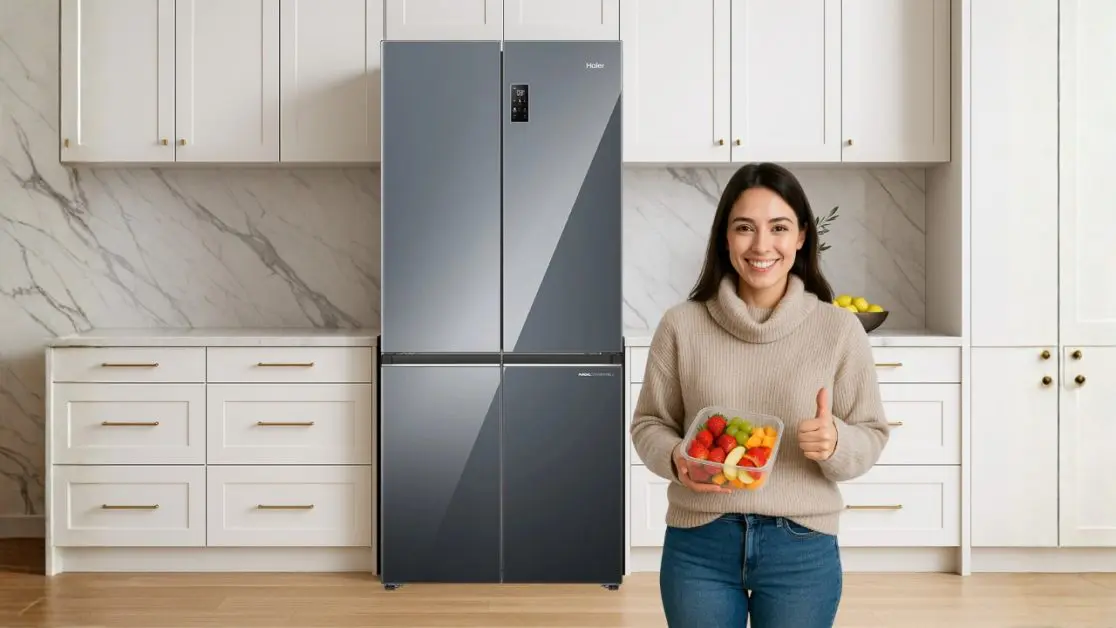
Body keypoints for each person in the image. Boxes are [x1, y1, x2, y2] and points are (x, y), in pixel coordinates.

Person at [629, 162, 890, 628]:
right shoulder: (681, 325)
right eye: (744, 227)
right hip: (700, 541)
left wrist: (836, 444)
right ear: (725, 238)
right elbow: (650, 423)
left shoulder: (838, 329)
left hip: (802, 544)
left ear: (801, 237)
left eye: (779, 227)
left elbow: (870, 433)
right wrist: (677, 458)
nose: (761, 245)